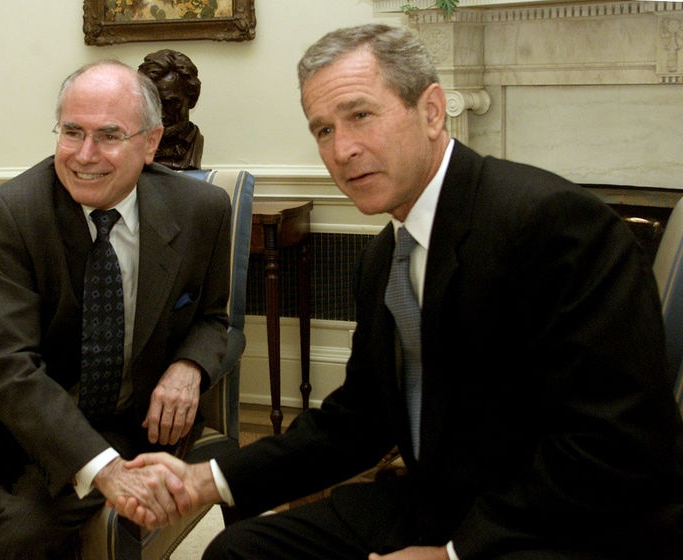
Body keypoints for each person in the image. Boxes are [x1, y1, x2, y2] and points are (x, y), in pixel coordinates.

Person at [120, 24, 683, 560]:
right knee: (240, 551)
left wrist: (456, 554)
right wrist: (206, 481)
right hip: (440, 501)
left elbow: (613, 444)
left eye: (360, 115)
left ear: (432, 111)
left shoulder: (551, 224)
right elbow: (357, 423)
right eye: (323, 130)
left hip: (562, 523)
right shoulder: (387, 256)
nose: (342, 150)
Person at [0, 59, 231, 559]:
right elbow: (6, 362)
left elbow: (214, 317)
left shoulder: (199, 210)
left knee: (27, 535)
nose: (85, 155)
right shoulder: (12, 211)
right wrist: (106, 470)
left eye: (109, 135)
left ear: (152, 142)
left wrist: (188, 366)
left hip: (111, 415)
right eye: (72, 132)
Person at [138, 49, 205, 170]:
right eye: (153, 104)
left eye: (171, 103)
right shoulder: (135, 144)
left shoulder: (194, 145)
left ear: (192, 99)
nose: (161, 114)